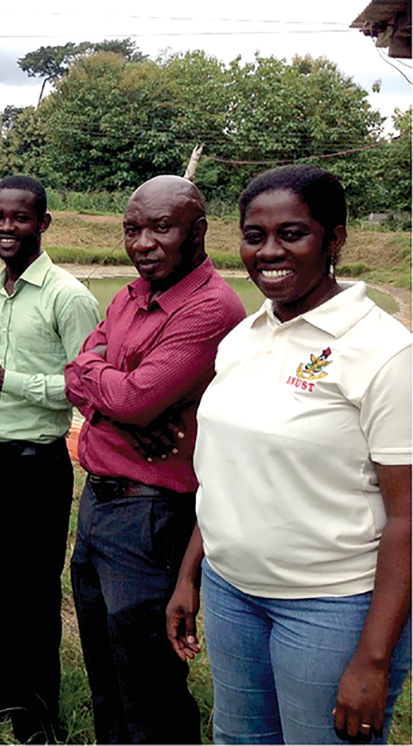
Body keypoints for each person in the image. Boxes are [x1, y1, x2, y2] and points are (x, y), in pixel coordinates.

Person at [165, 165, 411, 744]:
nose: (269, 251)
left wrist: (373, 660)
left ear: (335, 238)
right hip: (232, 592)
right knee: (238, 739)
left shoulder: (385, 353)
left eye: (292, 233)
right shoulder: (242, 338)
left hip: (331, 607)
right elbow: (226, 472)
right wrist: (191, 572)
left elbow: (408, 517)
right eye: (255, 236)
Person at [64, 175, 245, 744]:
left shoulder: (210, 308)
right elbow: (81, 379)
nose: (142, 243)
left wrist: (115, 390)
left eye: (160, 228)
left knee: (147, 675)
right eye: (132, 229)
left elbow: (133, 396)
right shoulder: (130, 295)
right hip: (99, 501)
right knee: (104, 663)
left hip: (152, 515)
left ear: (198, 231)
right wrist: (118, 400)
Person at [0, 176, 100, 740]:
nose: (5, 228)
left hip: (37, 464)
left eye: (19, 218)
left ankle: (39, 719)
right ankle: (8, 699)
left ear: (43, 224)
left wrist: (3, 378)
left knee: (34, 592)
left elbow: (85, 387)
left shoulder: (69, 295)